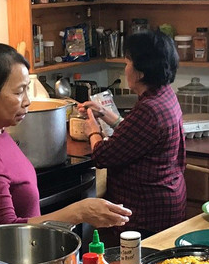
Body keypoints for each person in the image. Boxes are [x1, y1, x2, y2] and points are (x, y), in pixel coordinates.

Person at [0, 43, 132, 234]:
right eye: (18, 92)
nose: (27, 101)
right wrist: (79, 212)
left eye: (26, 89)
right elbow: (3, 232)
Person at [77, 30, 186, 245]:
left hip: (146, 212)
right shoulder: (164, 95)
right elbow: (136, 136)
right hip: (166, 200)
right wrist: (105, 114)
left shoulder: (149, 109)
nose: (125, 68)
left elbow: (102, 156)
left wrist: (92, 128)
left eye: (127, 63)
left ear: (141, 72)